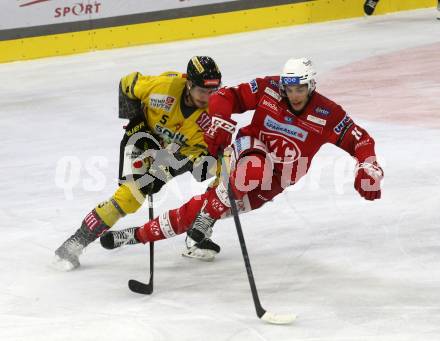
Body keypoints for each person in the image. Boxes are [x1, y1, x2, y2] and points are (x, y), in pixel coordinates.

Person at [100, 57, 384, 253]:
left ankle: (136, 235)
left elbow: (360, 141)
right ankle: (207, 218)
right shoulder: (271, 88)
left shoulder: (327, 113)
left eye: (301, 88)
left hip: (279, 178)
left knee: (197, 210)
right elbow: (226, 96)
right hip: (249, 148)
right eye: (290, 87)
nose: (294, 94)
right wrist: (220, 121)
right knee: (251, 171)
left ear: (312, 85)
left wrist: (369, 168)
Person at [54, 56, 223, 270]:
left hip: (174, 152)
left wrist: (176, 167)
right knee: (129, 198)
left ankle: (200, 230)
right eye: (203, 91)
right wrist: (135, 123)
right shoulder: (162, 88)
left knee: (227, 171)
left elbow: (198, 156)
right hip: (140, 139)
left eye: (213, 91)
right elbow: (127, 83)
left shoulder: (212, 114)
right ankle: (74, 244)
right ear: (189, 84)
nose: (208, 97)